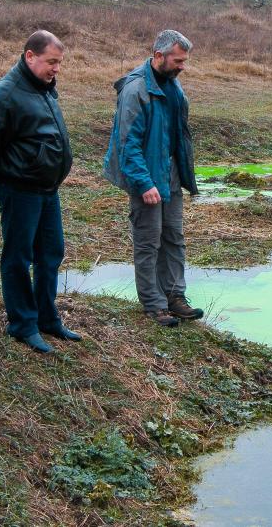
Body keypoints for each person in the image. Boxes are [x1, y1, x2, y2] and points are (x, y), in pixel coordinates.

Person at [0, 30, 78, 353]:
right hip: (19, 189)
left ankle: (47, 318)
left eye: (59, 63)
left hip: (48, 189)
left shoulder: (45, 89)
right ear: (29, 56)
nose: (56, 69)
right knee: (19, 256)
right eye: (51, 62)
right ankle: (22, 324)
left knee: (51, 252)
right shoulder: (3, 94)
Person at [104, 30, 201, 327]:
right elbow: (127, 143)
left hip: (170, 175)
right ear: (158, 56)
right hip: (146, 177)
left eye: (185, 60)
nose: (182, 66)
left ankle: (175, 296)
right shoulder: (136, 90)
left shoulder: (173, 85)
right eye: (178, 60)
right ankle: (154, 304)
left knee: (174, 237)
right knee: (148, 241)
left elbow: (177, 135)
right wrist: (144, 183)